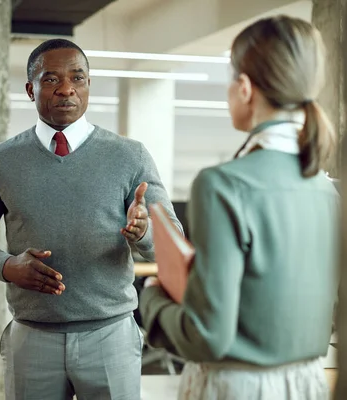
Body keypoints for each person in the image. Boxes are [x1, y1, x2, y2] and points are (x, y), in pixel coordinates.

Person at [0, 38, 181, 399]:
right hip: (32, 338)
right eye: (51, 79)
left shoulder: (129, 156)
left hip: (110, 337)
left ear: (88, 85)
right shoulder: (1, 159)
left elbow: (171, 244)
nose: (66, 89)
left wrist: (144, 233)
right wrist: (8, 267)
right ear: (30, 89)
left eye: (77, 78)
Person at [139, 15, 338, 400]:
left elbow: (207, 336)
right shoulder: (325, 188)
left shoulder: (223, 184)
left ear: (244, 88)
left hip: (239, 387)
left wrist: (152, 298)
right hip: (308, 384)